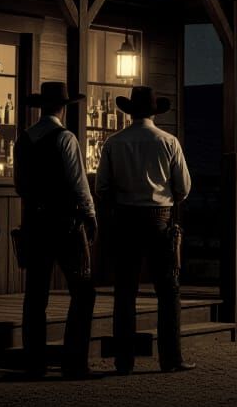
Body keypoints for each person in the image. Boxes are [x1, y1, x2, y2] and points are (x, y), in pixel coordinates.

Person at [97, 85, 194, 375]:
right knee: (168, 289)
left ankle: (123, 360)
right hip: (158, 218)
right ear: (155, 112)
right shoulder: (168, 141)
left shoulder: (114, 142)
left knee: (125, 290)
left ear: (129, 112)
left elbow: (102, 187)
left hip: (125, 218)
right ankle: (170, 357)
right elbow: (183, 188)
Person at [14, 82, 98, 379]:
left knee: (36, 294)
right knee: (83, 290)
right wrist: (90, 214)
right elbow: (78, 182)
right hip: (64, 222)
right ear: (64, 107)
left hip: (34, 221)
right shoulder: (66, 138)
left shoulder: (23, 140)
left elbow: (19, 184)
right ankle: (74, 361)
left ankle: (33, 362)